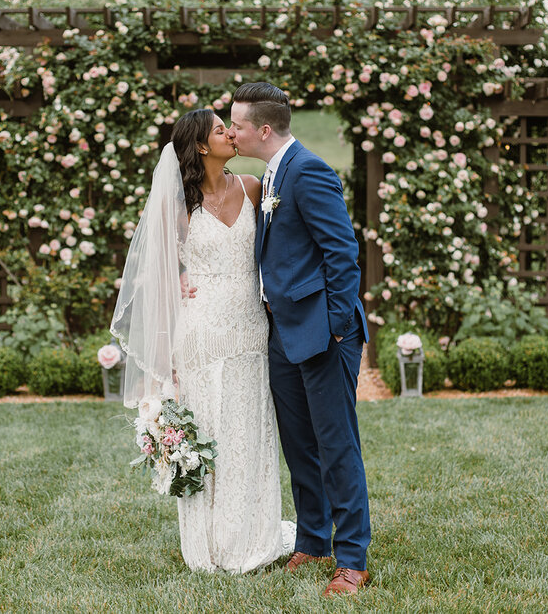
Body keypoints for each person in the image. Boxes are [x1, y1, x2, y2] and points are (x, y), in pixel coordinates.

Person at [111, 108, 293, 573]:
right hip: (201, 334)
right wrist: (178, 284)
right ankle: (208, 545)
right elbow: (152, 278)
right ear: (200, 146)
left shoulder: (254, 187)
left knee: (249, 431)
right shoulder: (177, 207)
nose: (231, 133)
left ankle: (253, 535)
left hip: (252, 328)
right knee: (210, 428)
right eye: (220, 129)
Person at [227, 82, 372, 597]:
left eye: (237, 124)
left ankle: (352, 558)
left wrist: (334, 327)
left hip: (323, 332)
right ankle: (312, 539)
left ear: (263, 130)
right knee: (299, 444)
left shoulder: (307, 170)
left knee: (337, 445)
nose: (230, 130)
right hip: (282, 332)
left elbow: (343, 253)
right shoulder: (272, 172)